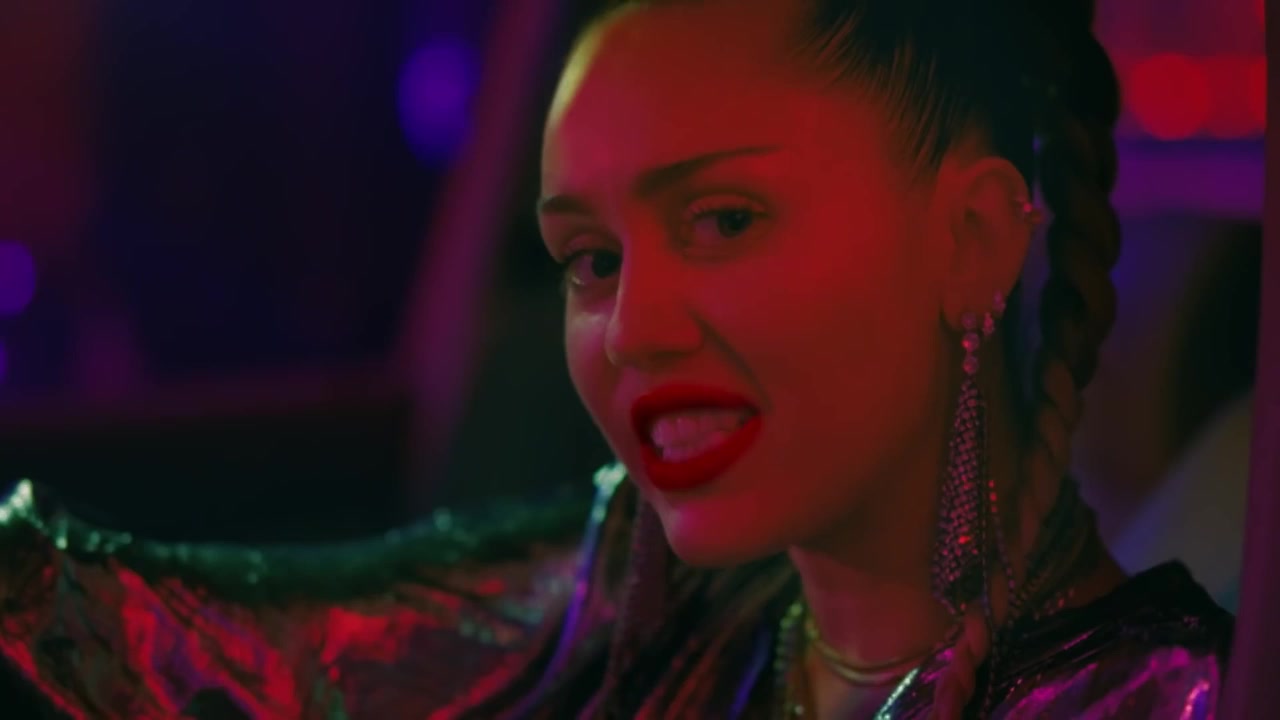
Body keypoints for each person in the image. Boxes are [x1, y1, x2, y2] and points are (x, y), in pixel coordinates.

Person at [0, 0, 1232, 718]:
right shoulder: (651, 584)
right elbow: (251, 651)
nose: (633, 329)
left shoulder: (1155, 697)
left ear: (968, 240)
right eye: (589, 259)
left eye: (723, 221)